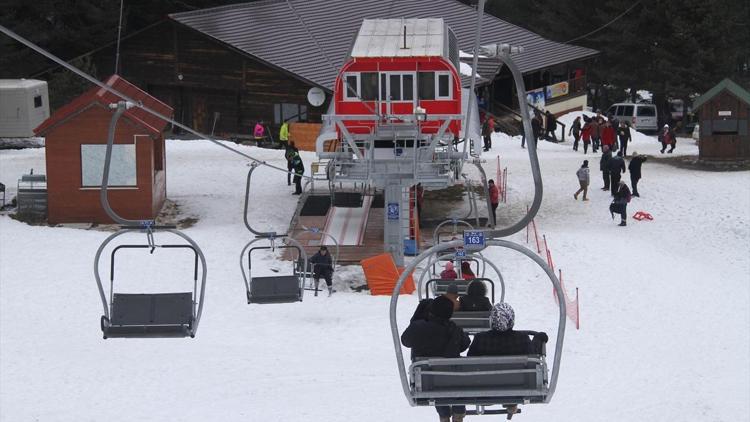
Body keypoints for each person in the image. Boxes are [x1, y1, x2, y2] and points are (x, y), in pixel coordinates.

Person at [467, 302, 548, 418]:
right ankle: (511, 402)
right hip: (516, 388)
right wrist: (539, 339)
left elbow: (471, 363)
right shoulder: (522, 339)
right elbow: (533, 356)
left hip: (484, 387)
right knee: (515, 377)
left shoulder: (481, 339)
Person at [401, 296, 470, 422]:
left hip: (427, 382)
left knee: (435, 380)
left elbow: (405, 341)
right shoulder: (453, 329)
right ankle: (458, 411)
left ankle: (444, 414)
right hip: (452, 380)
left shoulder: (418, 327)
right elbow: (465, 344)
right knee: (452, 375)